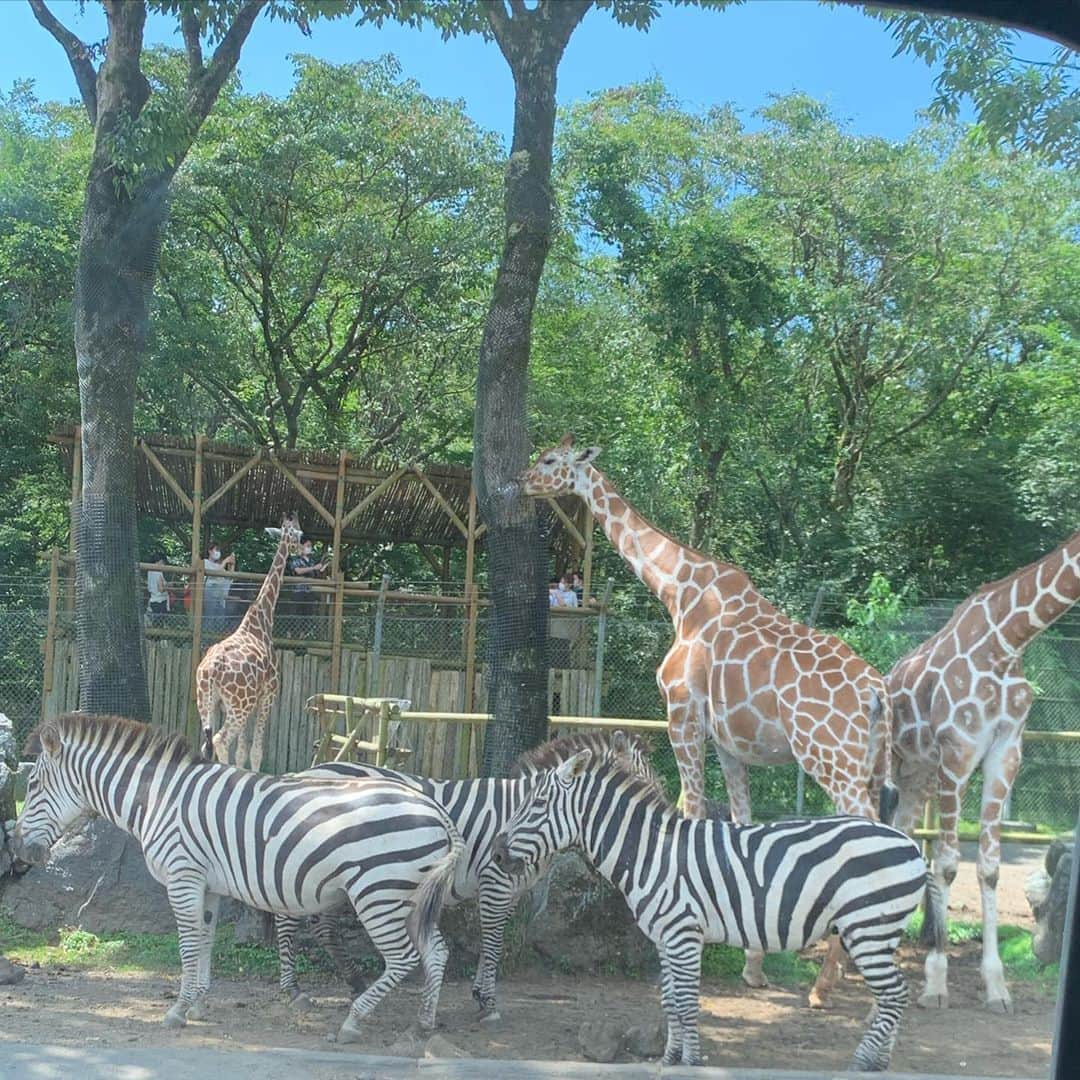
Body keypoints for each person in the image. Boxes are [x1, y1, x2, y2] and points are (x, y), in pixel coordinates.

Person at [203, 542, 235, 632]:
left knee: (220, 619)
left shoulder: (219, 566)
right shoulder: (205, 562)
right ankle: (205, 642)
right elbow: (214, 573)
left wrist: (232, 564)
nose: (218, 552)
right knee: (209, 617)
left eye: (219, 550)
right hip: (209, 594)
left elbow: (229, 578)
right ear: (209, 551)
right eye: (216, 550)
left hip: (220, 596)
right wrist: (225, 561)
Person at [146, 552, 170, 626]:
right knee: (159, 623)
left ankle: (153, 636)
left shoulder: (150, 572)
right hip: (160, 602)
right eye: (163, 562)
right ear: (159, 561)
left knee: (155, 623)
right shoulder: (158, 573)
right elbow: (161, 589)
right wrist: (168, 586)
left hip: (153, 600)